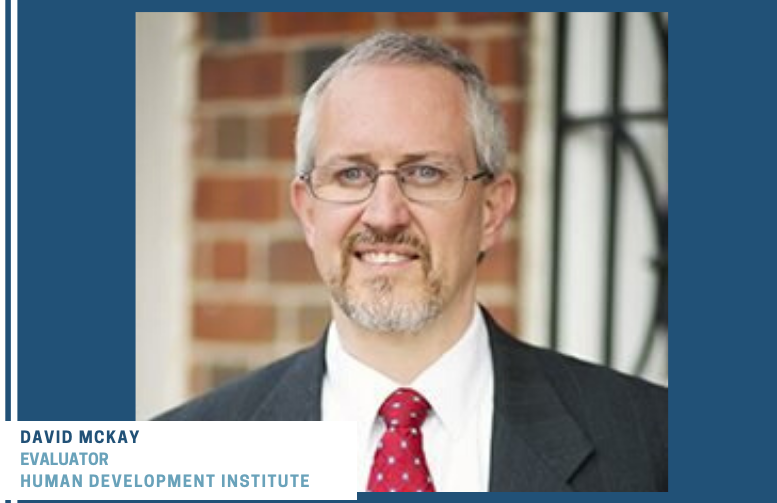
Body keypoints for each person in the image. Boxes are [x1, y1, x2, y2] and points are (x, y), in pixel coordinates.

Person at [157, 32, 668, 492]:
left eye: (425, 173)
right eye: (352, 174)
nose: (384, 215)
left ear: (492, 210)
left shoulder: (654, 444)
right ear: (308, 211)